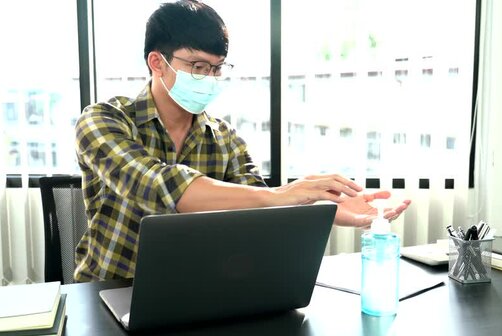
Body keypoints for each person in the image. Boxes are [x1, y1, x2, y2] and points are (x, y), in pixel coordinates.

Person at [74, 0, 410, 282]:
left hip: (199, 291)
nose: (209, 78)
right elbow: (158, 186)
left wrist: (324, 207)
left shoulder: (225, 139)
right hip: (110, 290)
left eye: (217, 68)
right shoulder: (104, 120)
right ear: (157, 63)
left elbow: (259, 215)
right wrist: (286, 193)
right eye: (198, 66)